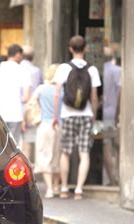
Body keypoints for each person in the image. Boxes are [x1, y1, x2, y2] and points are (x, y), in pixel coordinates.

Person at [52, 35, 101, 200]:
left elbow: (57, 93)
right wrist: (93, 115)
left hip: (67, 114)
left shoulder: (64, 68)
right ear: (85, 48)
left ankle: (64, 187)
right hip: (85, 114)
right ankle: (79, 189)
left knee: (65, 152)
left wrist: (55, 116)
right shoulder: (92, 69)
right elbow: (94, 97)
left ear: (70, 49)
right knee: (84, 152)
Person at [0, 44, 31, 143]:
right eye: (21, 56)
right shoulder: (23, 70)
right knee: (13, 146)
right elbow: (26, 97)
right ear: (18, 54)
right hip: (15, 113)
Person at [33, 64, 62, 198]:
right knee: (57, 156)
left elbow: (30, 103)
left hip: (45, 124)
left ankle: (49, 188)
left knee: (45, 156)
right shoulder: (63, 90)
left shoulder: (41, 89)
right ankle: (56, 186)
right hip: (60, 126)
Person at [21, 46, 43, 163]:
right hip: (31, 111)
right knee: (28, 143)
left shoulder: (16, 69)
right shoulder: (37, 71)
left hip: (15, 110)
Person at [102, 47, 121, 186]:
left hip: (102, 113)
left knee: (106, 146)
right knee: (118, 146)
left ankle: (112, 179)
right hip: (115, 112)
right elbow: (121, 92)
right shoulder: (117, 71)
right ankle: (119, 177)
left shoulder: (99, 70)